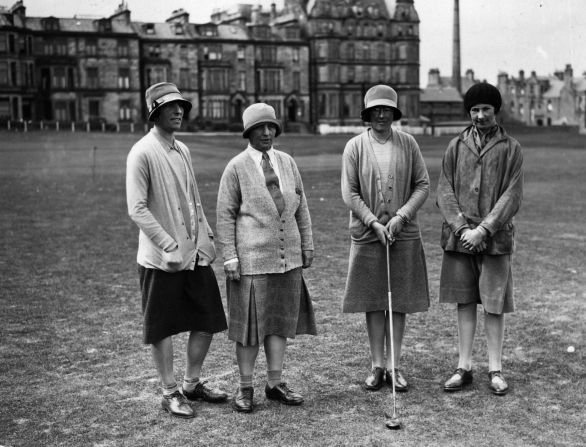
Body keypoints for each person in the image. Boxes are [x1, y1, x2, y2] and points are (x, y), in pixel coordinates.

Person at [126, 82, 228, 419]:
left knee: (207, 319)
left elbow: (192, 197)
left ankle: (191, 383)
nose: (178, 111)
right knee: (162, 326)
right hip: (161, 259)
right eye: (170, 107)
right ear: (154, 112)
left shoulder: (182, 149)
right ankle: (169, 391)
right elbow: (137, 209)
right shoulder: (142, 152)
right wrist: (168, 244)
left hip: (195, 252)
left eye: (181, 105)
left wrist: (206, 234)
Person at [216, 103, 316, 413]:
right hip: (251, 262)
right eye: (259, 128)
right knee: (249, 329)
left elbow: (301, 206)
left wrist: (307, 244)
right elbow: (225, 214)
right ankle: (245, 387)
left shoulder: (286, 162)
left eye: (271, 127)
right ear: (248, 132)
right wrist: (230, 256)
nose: (266, 133)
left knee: (279, 323)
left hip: (287, 261)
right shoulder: (236, 167)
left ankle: (274, 383)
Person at [341, 85, 430, 393]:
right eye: (375, 110)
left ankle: (394, 365)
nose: (381, 114)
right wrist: (373, 222)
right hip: (368, 235)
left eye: (386, 109)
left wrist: (400, 217)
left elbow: (422, 185)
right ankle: (377, 364)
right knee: (374, 300)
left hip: (402, 234)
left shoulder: (409, 143)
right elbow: (349, 192)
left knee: (399, 301)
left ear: (394, 113)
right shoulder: (354, 146)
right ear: (368, 114)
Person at [437, 82, 523, 396]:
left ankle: (495, 369)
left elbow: (512, 196)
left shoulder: (511, 147)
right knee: (464, 302)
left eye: (486, 109)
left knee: (494, 304)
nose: (480, 115)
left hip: (495, 239)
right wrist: (462, 229)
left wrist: (483, 230)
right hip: (459, 239)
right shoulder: (456, 146)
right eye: (474, 109)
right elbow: (444, 191)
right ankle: (464, 366)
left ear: (495, 110)